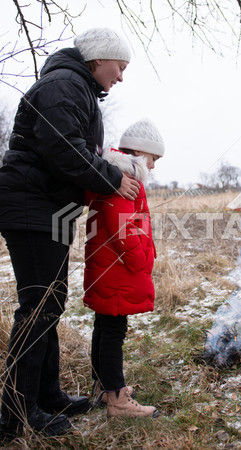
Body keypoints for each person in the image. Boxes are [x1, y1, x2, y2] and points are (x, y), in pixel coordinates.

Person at [0, 27, 141, 442]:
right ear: (99, 59)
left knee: (50, 303)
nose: (121, 77)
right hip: (32, 205)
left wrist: (116, 163)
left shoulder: (74, 86)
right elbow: (63, 148)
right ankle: (16, 413)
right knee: (39, 305)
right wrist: (113, 178)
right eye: (120, 66)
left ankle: (47, 395)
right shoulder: (63, 84)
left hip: (53, 209)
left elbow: (78, 148)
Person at [83, 119, 164, 418]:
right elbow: (124, 229)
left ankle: (103, 387)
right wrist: (142, 259)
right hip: (116, 269)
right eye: (154, 159)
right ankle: (117, 399)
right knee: (113, 330)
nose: (154, 167)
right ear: (142, 154)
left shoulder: (114, 175)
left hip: (108, 267)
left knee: (104, 327)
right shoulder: (124, 178)